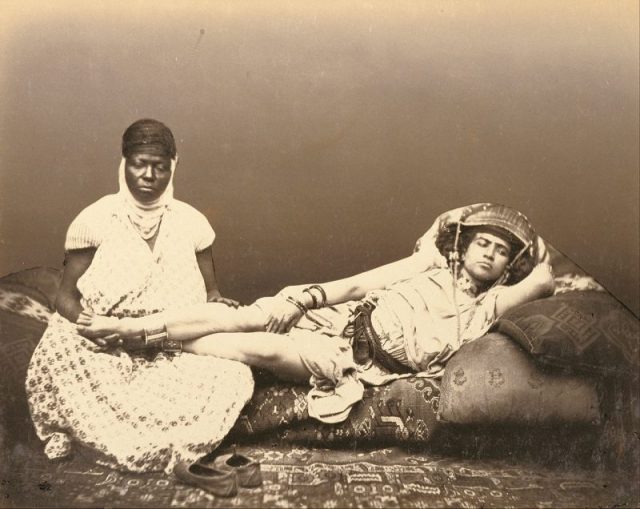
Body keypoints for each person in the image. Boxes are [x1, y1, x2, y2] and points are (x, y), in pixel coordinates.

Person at [76, 203, 556, 422]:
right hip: (340, 318)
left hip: (355, 364)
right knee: (256, 314)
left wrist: (526, 255)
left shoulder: (491, 303)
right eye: (482, 242)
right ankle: (132, 329)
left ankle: (151, 341)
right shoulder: (427, 264)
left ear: (508, 266)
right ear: (462, 245)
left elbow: (545, 277)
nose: (489, 254)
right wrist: (304, 298)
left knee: (264, 347)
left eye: (501, 251)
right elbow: (358, 284)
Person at [25, 119, 254, 474]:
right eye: (139, 164)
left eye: (159, 167)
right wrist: (90, 325)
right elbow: (65, 298)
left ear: (173, 167)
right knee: (58, 347)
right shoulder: (96, 219)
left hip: (170, 344)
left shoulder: (193, 223)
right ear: (124, 164)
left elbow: (211, 294)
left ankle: (157, 439)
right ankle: (121, 432)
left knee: (232, 373)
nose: (148, 175)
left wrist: (217, 305)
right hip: (105, 345)